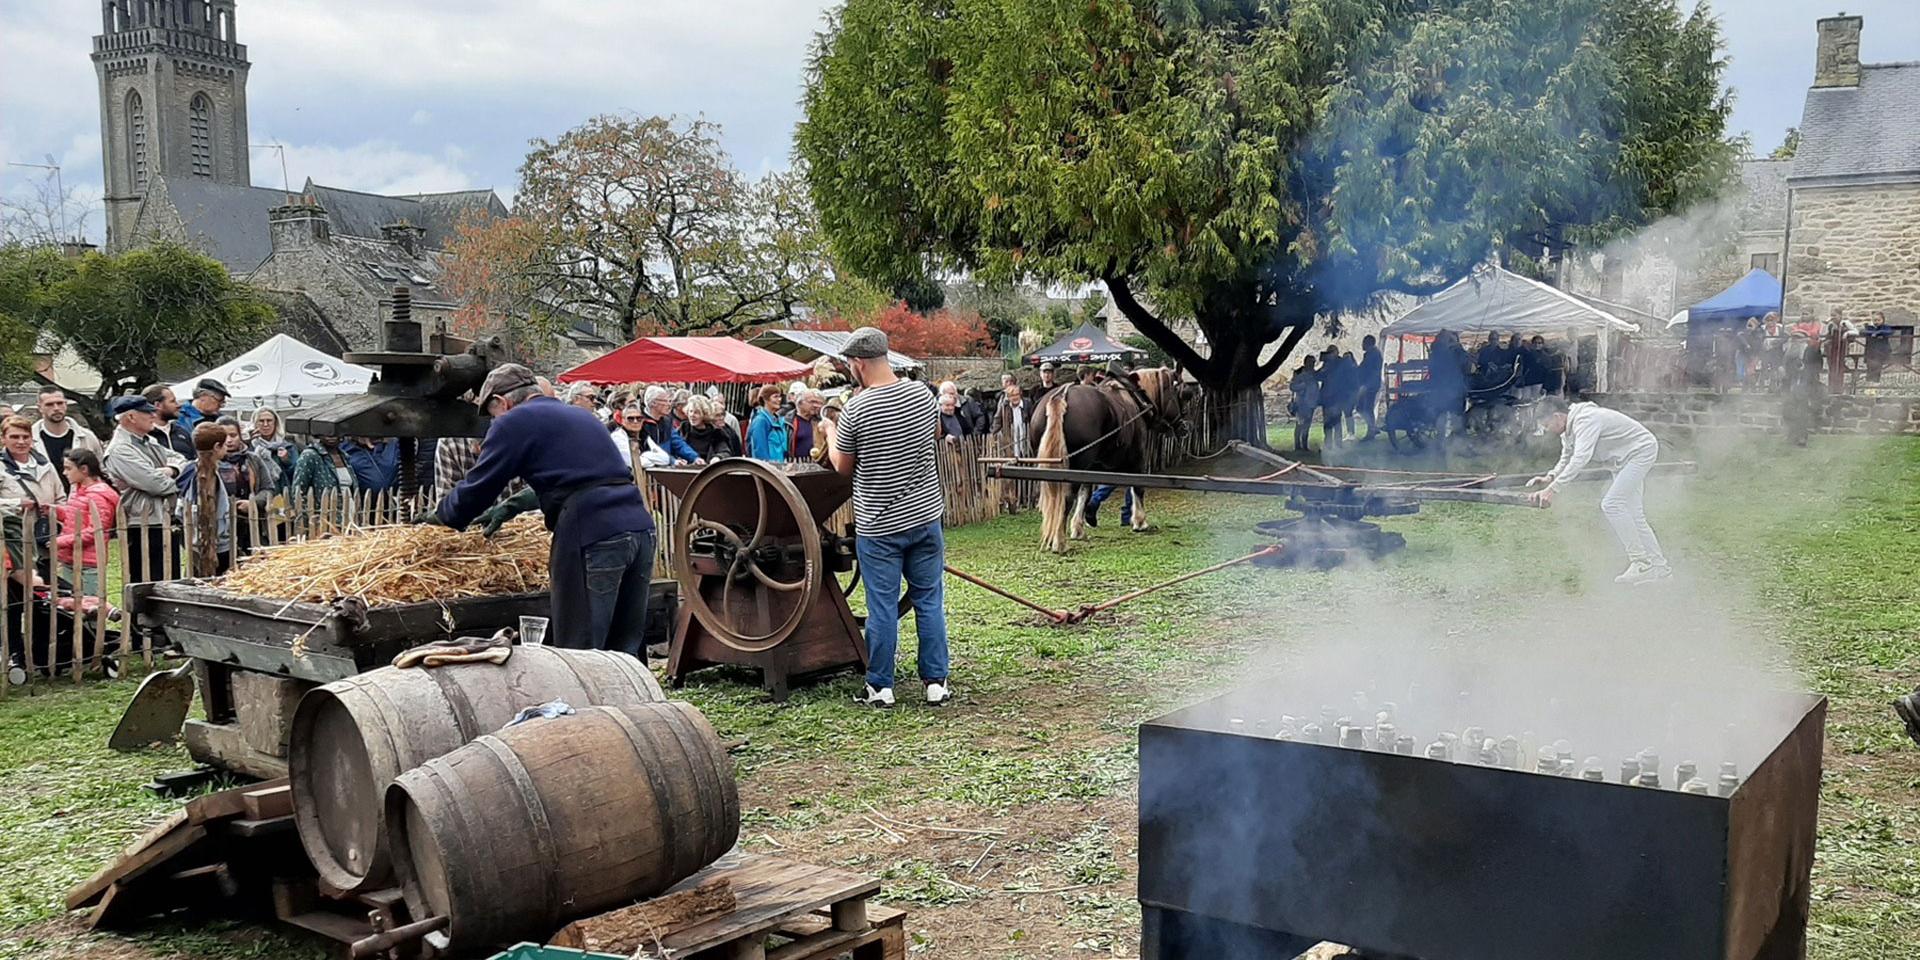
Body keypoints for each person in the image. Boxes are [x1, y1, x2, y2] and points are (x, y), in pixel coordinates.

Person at [432, 363, 657, 655]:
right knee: (625, 650)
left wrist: (443, 516)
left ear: (502, 402)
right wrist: (513, 505)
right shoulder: (580, 416)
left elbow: (479, 487)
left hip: (592, 531)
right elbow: (585, 478)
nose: (493, 422)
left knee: (581, 649)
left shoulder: (513, 421)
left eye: (492, 413)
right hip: (640, 528)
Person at [829, 328, 950, 708]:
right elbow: (935, 432)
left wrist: (830, 431)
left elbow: (842, 467)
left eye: (850, 365)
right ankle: (936, 683)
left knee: (881, 607)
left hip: (879, 526)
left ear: (859, 363)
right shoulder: (923, 394)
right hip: (925, 517)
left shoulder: (856, 409)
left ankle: (880, 687)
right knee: (929, 600)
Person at [1527, 397, 1670, 585]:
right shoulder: (1569, 429)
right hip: (1624, 459)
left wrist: (1552, 490)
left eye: (1546, 425)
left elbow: (1580, 458)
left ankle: (1641, 562)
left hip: (1641, 451)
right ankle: (1661, 571)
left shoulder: (1586, 420)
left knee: (1612, 504)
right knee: (1635, 515)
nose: (1547, 430)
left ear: (1557, 416)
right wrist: (1550, 477)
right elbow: (1567, 456)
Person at [102, 395, 186, 583]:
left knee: (170, 580)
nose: (153, 415)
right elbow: (155, 484)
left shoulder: (149, 441)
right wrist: (178, 479)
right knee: (148, 584)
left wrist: (171, 470)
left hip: (163, 519)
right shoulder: (120, 450)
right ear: (131, 417)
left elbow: (182, 460)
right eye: (147, 412)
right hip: (142, 524)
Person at [0, 416, 61, 579]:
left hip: (45, 537)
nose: (21, 442)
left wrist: (54, 512)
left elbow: (61, 497)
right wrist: (16, 503)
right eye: (14, 437)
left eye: (25, 437)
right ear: (3, 439)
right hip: (14, 542)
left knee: (48, 583)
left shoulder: (46, 465)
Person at [54, 449, 119, 598]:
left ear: (84, 469)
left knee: (89, 602)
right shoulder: (79, 491)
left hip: (89, 562)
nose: (64, 473)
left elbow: (96, 530)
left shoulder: (98, 495)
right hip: (71, 557)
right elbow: (77, 518)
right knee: (70, 601)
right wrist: (57, 512)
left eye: (68, 468)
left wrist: (61, 541)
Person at [32, 386, 104, 494]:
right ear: (40, 407)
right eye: (49, 404)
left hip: (83, 498)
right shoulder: (29, 439)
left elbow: (101, 469)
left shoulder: (87, 436)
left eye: (60, 403)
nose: (56, 408)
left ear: (66, 404)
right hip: (47, 499)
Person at [630, 386, 701, 466]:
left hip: (667, 466)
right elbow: (649, 450)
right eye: (665, 401)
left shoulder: (667, 421)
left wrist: (694, 457)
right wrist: (672, 461)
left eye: (669, 401)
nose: (669, 404)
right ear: (653, 403)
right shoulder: (639, 421)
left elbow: (677, 442)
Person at [249, 407, 297, 494]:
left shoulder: (287, 446)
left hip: (282, 493)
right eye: (261, 421)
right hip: (258, 494)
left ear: (275, 423)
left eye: (269, 420)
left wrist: (286, 461)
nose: (265, 424)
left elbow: (295, 474)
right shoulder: (249, 446)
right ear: (255, 423)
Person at [682, 396, 743, 461]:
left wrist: (717, 457)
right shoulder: (683, 429)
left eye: (696, 412)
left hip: (709, 466)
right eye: (690, 411)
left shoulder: (716, 433)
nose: (692, 415)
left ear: (705, 414)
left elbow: (725, 451)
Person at [142, 383, 194, 459]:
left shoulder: (182, 432)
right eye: (172, 401)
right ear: (157, 405)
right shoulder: (144, 436)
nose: (178, 405)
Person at [748, 385, 792, 462]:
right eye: (775, 397)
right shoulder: (760, 421)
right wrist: (766, 467)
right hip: (767, 467)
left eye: (780, 396)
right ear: (765, 399)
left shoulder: (778, 420)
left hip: (779, 466)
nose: (779, 399)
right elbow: (760, 450)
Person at [1355, 336, 1384, 440]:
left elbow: (1372, 372)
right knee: (1361, 408)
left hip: (1370, 385)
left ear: (1368, 343)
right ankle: (1372, 427)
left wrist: (1366, 385)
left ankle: (1371, 430)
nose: (1362, 345)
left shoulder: (1374, 354)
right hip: (1368, 384)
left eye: (1364, 342)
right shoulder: (1371, 354)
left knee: (1366, 408)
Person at [994, 381, 1035, 454]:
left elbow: (1033, 419)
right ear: (1008, 397)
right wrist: (995, 436)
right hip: (1011, 437)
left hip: (1025, 435)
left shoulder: (1027, 404)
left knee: (1025, 453)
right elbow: (997, 421)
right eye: (1012, 395)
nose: (1015, 397)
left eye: (1017, 395)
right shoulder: (1004, 407)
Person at [1289, 357, 1321, 453]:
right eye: (1311, 363)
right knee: (1300, 424)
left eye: (1313, 363)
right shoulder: (1299, 373)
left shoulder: (1314, 374)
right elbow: (1292, 386)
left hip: (1311, 403)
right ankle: (1297, 445)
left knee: (1307, 425)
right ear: (1306, 363)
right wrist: (1302, 386)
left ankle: (1305, 445)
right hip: (1301, 403)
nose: (1312, 365)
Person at [792, 389, 826, 460]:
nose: (816, 406)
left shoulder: (822, 422)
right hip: (795, 464)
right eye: (812, 402)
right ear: (800, 403)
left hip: (818, 464)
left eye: (820, 403)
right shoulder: (788, 423)